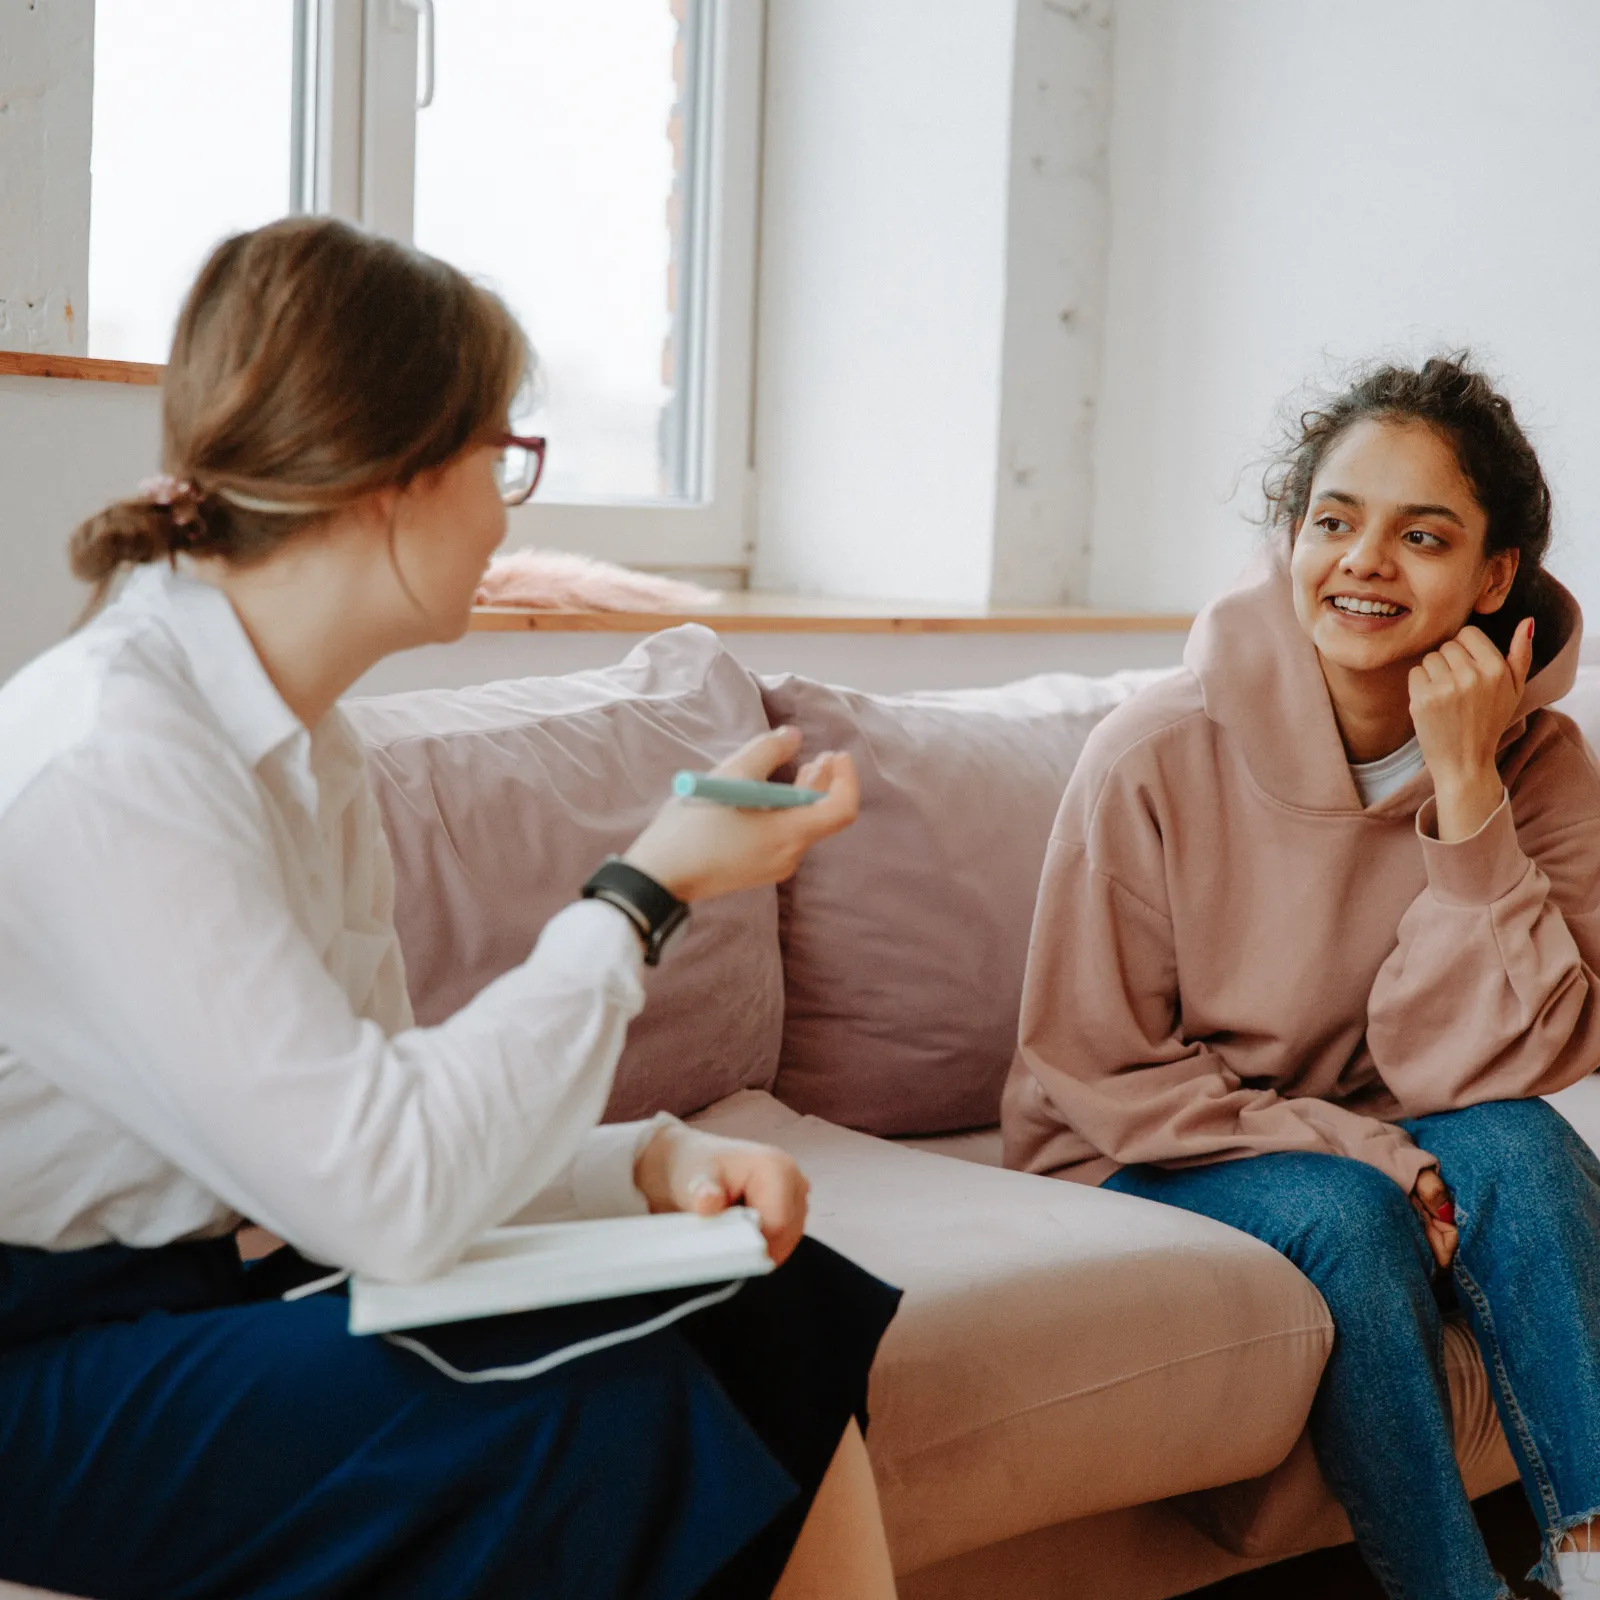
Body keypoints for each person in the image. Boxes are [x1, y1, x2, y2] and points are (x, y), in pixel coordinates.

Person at [0, 217, 901, 1600]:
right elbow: (390, 1195)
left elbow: (391, 1114)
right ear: (391, 478)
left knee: (767, 1301)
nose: (507, 505)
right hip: (36, 1363)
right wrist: (643, 891)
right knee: (593, 1412)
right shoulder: (118, 761)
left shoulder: (309, 746)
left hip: (196, 1293)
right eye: (505, 456)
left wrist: (645, 1169)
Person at [1002, 356, 1600, 1600]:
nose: (1364, 561)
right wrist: (1374, 1152)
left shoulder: (1538, 766)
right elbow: (1094, 1064)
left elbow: (1522, 1055)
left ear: (1494, 578)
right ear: (1291, 539)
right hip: (1142, 1147)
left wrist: (1468, 794)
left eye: (1420, 534)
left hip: (1380, 1126)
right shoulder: (1151, 755)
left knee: (1529, 1147)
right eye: (1334, 521)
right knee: (1349, 1212)